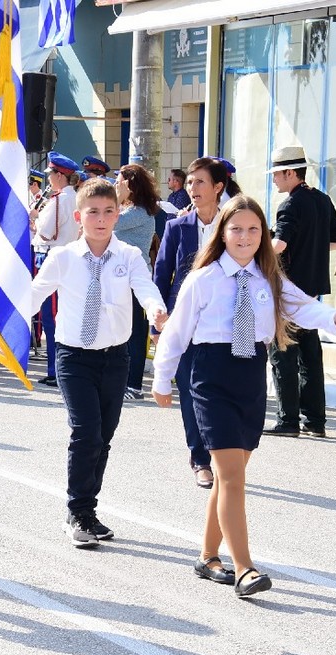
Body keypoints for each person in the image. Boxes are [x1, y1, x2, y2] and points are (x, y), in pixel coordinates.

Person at [153, 195, 336, 597]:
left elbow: (301, 307)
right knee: (230, 476)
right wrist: (162, 379)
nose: (245, 236)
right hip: (210, 375)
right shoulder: (203, 278)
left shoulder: (269, 277)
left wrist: (333, 318)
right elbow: (175, 333)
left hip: (250, 376)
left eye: (253, 229)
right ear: (222, 234)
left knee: (232, 476)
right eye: (237, 229)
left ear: (264, 235)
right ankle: (244, 567)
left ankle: (208, 555)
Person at [32, 179, 167, 547]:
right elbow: (33, 295)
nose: (102, 219)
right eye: (93, 212)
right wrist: (2, 320)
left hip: (115, 358)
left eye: (110, 211)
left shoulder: (128, 256)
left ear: (118, 214)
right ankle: (76, 511)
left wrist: (155, 310)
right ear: (79, 216)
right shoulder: (63, 258)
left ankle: (88, 511)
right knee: (86, 432)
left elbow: (145, 287)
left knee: (103, 438)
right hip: (74, 358)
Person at [154, 157, 232, 489]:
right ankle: (199, 457)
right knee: (188, 388)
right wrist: (157, 318)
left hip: (222, 320)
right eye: (189, 182)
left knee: (220, 390)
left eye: (199, 182)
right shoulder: (177, 226)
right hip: (182, 319)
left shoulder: (234, 226)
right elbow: (161, 272)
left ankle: (223, 452)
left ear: (218, 187)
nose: (192, 188)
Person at [265, 145, 336, 439]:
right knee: (310, 355)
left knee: (283, 353)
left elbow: (280, 244)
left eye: (277, 174)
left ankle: (288, 420)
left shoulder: (289, 205)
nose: (274, 180)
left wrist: (257, 260)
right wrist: (310, 247)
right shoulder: (322, 200)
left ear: (290, 172)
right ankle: (314, 420)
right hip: (312, 290)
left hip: (289, 291)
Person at [30, 151, 81, 387]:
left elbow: (47, 232)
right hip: (71, 260)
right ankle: (60, 368)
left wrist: (35, 219)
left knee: (51, 319)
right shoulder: (75, 198)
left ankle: (55, 370)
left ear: (60, 176)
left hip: (54, 258)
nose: (49, 178)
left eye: (52, 174)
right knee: (62, 317)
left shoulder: (59, 200)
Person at [114, 163, 161, 402]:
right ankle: (123, 380)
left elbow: (108, 221)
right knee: (121, 330)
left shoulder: (139, 212)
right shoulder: (129, 208)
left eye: (120, 181)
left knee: (134, 332)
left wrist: (117, 198)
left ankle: (133, 384)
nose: (116, 185)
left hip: (134, 278)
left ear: (131, 184)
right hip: (118, 276)